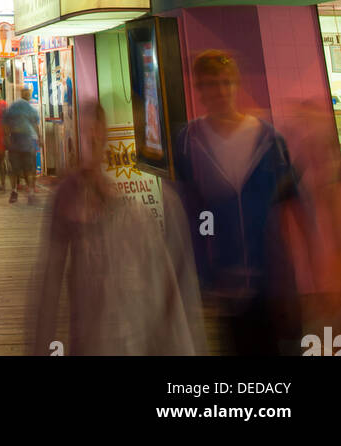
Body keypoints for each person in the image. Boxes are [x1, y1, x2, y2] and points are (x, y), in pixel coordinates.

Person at [31, 102, 206, 355]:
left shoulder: (161, 195)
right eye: (88, 131)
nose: (93, 137)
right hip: (94, 336)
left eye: (99, 131)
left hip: (142, 332)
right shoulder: (71, 195)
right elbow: (49, 283)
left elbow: (174, 280)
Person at [173, 50, 303, 356]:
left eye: (225, 82)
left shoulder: (269, 140)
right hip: (225, 282)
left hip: (270, 278)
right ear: (199, 90)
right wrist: (204, 266)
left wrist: (297, 271)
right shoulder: (189, 143)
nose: (219, 91)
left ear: (236, 84)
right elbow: (196, 214)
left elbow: (289, 209)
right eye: (210, 84)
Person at [4, 87, 41, 204]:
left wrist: (7, 138)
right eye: (27, 93)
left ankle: (16, 192)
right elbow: (35, 125)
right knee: (28, 169)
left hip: (17, 142)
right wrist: (39, 139)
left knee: (15, 169)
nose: (28, 95)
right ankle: (28, 193)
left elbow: (6, 124)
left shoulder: (14, 107)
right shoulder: (30, 109)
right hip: (25, 142)